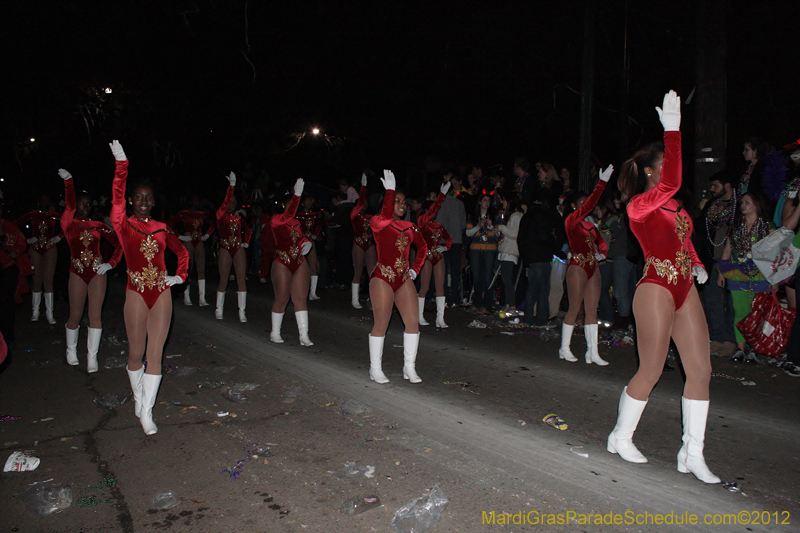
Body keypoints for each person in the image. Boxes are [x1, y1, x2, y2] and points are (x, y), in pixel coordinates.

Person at [607, 91, 719, 484]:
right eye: (667, 165)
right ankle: (621, 435)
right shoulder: (639, 206)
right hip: (655, 286)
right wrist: (673, 131)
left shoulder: (678, 209)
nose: (671, 171)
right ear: (653, 172)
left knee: (701, 370)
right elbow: (674, 179)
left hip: (685, 286)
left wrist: (700, 266)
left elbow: (686, 243)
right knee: (652, 369)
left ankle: (692, 453)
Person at [109, 140, 189, 435]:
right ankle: (138, 396)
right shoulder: (124, 225)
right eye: (138, 197)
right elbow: (116, 202)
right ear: (132, 200)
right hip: (136, 292)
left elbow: (182, 252)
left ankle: (147, 410)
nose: (143, 201)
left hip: (161, 292)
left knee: (156, 354)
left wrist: (179, 276)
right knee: (135, 352)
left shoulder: (163, 227)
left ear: (154, 202)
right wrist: (122, 166)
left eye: (148, 198)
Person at [59, 168, 122, 372]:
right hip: (77, 271)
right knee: (76, 313)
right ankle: (71, 350)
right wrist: (69, 182)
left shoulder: (98, 225)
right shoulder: (69, 224)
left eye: (88, 204)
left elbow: (120, 244)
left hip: (97, 272)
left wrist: (110, 264)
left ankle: (92, 357)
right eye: (81, 204)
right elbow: (68, 205)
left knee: (95, 314)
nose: (85, 208)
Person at [368, 170, 428, 383]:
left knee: (413, 323)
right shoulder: (378, 222)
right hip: (382, 278)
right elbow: (384, 218)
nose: (402, 205)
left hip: (403, 279)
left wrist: (415, 269)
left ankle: (409, 368)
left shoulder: (410, 227)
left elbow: (423, 247)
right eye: (398, 201)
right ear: (389, 202)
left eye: (404, 202)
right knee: (381, 323)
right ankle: (375, 368)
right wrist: (390, 192)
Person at [558, 166, 613, 365]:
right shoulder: (571, 221)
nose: (586, 206)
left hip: (592, 266)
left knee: (592, 309)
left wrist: (602, 254)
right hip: (577, 266)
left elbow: (602, 242)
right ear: (575, 206)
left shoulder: (591, 226)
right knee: (574, 307)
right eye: (581, 203)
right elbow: (589, 206)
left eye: (586, 202)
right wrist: (601, 184)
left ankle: (593, 352)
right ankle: (564, 347)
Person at [716, 191, 774, 363]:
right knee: (740, 311)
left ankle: (754, 349)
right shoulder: (736, 227)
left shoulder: (767, 226)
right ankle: (741, 350)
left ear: (756, 204)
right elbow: (727, 250)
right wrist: (721, 272)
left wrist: (775, 278)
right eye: (742, 203)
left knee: (757, 312)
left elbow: (776, 253)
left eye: (747, 202)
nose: (743, 206)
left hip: (761, 273)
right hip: (738, 273)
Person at [269, 179, 314, 346]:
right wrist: (296, 196)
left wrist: (306, 243)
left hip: (298, 260)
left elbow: (300, 238)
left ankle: (303, 335)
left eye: (293, 205)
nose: (292, 209)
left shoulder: (296, 222)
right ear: (283, 205)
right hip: (282, 261)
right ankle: (275, 332)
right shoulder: (276, 220)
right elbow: (287, 215)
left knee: (300, 298)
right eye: (288, 205)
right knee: (282, 298)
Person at [698, 171, 738, 356]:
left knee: (732, 304)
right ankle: (716, 339)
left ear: (727, 185)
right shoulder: (711, 207)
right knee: (712, 302)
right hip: (711, 261)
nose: (712, 189)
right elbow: (700, 232)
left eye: (716, 185)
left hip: (734, 263)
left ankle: (730, 341)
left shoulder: (739, 205)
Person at [518, 186, 561, 327]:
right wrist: (552, 240)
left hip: (530, 257)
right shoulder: (543, 215)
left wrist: (525, 256)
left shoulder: (526, 216)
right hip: (542, 256)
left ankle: (528, 318)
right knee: (543, 289)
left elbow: (521, 238)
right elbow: (544, 236)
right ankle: (542, 318)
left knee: (531, 289)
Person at [16, 194, 62, 324]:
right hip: (35, 247)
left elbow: (69, 224)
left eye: (46, 200)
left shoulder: (55, 215)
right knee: (36, 279)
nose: (44, 202)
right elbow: (14, 225)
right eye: (42, 200)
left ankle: (49, 313)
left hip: (50, 247)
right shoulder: (32, 214)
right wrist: (26, 239)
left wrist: (59, 237)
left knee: (48, 279)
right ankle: (35, 311)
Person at [215, 173, 252, 322]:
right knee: (223, 279)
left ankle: (242, 311)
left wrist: (246, 241)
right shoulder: (220, 215)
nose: (232, 204)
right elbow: (224, 205)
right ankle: (219, 308)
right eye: (230, 201)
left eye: (235, 202)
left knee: (241, 279)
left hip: (238, 247)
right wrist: (231, 187)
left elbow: (248, 230)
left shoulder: (239, 217)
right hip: (225, 247)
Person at [167, 195, 214, 307]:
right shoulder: (184, 213)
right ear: (190, 201)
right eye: (194, 200)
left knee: (201, 268)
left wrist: (207, 235)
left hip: (198, 240)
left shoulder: (202, 214)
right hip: (188, 240)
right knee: (188, 267)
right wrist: (180, 236)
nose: (196, 202)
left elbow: (212, 224)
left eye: (197, 200)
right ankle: (186, 295)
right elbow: (169, 224)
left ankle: (202, 298)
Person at [416, 181, 452, 327]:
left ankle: (440, 318)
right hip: (426, 256)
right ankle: (419, 316)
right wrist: (441, 196)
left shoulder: (438, 225)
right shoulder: (421, 222)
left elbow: (449, 238)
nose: (434, 212)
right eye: (431, 209)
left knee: (440, 287)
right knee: (424, 287)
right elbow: (432, 211)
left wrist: (445, 247)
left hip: (438, 256)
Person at [435, 174, 467, 307]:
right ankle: (454, 298)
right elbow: (464, 224)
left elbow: (438, 224)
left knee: (442, 271)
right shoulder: (459, 203)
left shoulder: (440, 204)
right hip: (457, 241)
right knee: (455, 271)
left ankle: (443, 297)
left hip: (443, 241)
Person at [465, 193, 499, 312]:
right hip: (475, 249)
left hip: (489, 249)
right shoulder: (473, 216)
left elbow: (498, 234)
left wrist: (490, 226)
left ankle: (487, 305)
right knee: (477, 277)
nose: (487, 203)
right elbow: (468, 233)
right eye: (484, 200)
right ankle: (477, 302)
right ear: (479, 202)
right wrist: (479, 226)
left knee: (488, 277)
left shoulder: (494, 216)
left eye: (488, 201)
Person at [0, 207, 26, 348]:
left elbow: (21, 242)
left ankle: (7, 337)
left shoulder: (9, 227)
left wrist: (15, 251)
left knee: (7, 304)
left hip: (8, 269)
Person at [494, 193, 524, 313]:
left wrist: (501, 227)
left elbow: (515, 234)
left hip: (510, 252)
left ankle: (511, 305)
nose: (503, 204)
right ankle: (507, 304)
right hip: (506, 251)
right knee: (505, 279)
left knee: (507, 280)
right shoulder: (512, 216)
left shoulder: (516, 216)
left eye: (505, 201)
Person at [350, 173, 376, 309]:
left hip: (369, 244)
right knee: (358, 271)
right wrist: (363, 187)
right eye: (362, 201)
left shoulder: (371, 216)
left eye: (366, 201)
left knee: (372, 272)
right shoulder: (355, 214)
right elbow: (360, 203)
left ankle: (372, 299)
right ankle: (355, 299)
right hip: (358, 243)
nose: (364, 203)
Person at [295, 195, 323, 300]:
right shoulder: (298, 215)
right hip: (299, 242)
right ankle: (297, 289)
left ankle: (312, 292)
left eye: (310, 201)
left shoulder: (315, 215)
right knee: (298, 265)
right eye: (307, 201)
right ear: (302, 203)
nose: (309, 203)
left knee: (313, 265)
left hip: (310, 242)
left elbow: (319, 225)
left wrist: (315, 235)